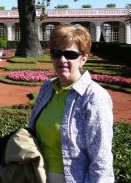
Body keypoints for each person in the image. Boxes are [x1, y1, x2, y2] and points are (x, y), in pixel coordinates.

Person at [28, 25, 114, 183]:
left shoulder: (94, 97)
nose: (62, 60)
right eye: (56, 53)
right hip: (37, 175)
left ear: (83, 59)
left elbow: (101, 159)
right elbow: (31, 130)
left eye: (70, 54)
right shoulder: (47, 88)